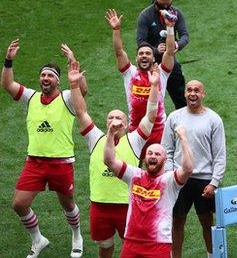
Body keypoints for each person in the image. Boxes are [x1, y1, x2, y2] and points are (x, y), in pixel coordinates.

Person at [2, 39, 87, 258]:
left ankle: (77, 235)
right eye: (43, 75)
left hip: (61, 162)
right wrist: (8, 60)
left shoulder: (67, 97)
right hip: (35, 162)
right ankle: (38, 239)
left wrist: (73, 67)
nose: (45, 79)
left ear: (57, 81)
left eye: (50, 76)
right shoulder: (30, 97)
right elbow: (8, 85)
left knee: (67, 204)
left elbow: (82, 93)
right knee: (19, 204)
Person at [71, 61, 160, 258]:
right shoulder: (95, 138)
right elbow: (81, 112)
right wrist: (74, 86)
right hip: (99, 205)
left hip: (127, 205)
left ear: (127, 124)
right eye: (110, 118)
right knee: (105, 245)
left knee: (133, 246)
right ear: (105, 122)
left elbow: (151, 115)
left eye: (119, 118)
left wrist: (154, 86)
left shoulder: (135, 140)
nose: (114, 121)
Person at [103, 124, 194, 258]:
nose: (153, 156)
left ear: (165, 159)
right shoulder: (134, 175)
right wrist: (110, 133)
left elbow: (188, 169)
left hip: (158, 244)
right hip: (131, 242)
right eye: (149, 153)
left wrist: (183, 139)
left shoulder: (169, 181)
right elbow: (109, 160)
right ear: (144, 158)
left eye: (157, 154)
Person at [162, 80, 226, 258]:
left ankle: (212, 255)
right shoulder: (174, 117)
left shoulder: (214, 119)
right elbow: (166, 149)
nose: (192, 93)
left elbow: (220, 154)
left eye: (197, 90)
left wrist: (214, 183)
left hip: (204, 180)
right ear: (184, 94)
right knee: (177, 221)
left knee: (207, 222)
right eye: (189, 90)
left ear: (203, 94)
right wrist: (170, 176)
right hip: (179, 178)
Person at [106, 8, 175, 155]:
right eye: (141, 54)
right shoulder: (129, 73)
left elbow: (169, 51)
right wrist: (116, 29)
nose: (144, 56)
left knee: (159, 170)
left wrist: (170, 27)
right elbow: (119, 52)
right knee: (134, 170)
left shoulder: (161, 73)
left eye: (148, 53)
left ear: (154, 58)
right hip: (135, 131)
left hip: (159, 131)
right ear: (136, 58)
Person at [137, 0, 189, 109]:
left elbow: (185, 36)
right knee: (148, 103)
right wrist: (155, 50)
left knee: (181, 100)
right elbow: (141, 41)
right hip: (150, 66)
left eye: (168, 2)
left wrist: (177, 45)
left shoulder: (176, 13)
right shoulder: (145, 15)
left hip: (170, 63)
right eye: (163, 2)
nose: (166, 5)